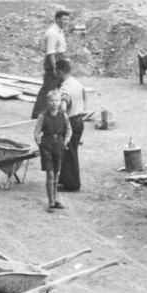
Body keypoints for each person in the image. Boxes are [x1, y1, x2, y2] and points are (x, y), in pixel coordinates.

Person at [55, 59, 93, 194]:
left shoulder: (65, 88)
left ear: (60, 71)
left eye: (56, 71)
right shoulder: (75, 82)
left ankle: (72, 184)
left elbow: (63, 107)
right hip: (79, 120)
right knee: (69, 152)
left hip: (69, 122)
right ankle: (65, 179)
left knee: (69, 153)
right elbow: (84, 93)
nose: (55, 73)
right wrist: (84, 108)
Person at [33, 88, 71, 212]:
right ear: (47, 102)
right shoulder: (42, 116)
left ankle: (55, 199)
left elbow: (68, 130)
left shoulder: (63, 116)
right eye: (51, 101)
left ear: (60, 102)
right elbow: (37, 131)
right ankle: (50, 202)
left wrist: (65, 141)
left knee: (56, 173)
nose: (54, 103)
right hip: (47, 146)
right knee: (49, 174)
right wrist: (40, 143)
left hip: (59, 145)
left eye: (57, 100)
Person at [32, 7, 70, 118]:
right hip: (54, 61)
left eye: (67, 20)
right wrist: (54, 68)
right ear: (57, 19)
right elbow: (51, 53)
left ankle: (54, 111)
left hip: (61, 59)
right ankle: (38, 113)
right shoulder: (52, 33)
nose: (66, 22)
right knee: (48, 87)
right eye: (64, 19)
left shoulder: (60, 31)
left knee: (58, 87)